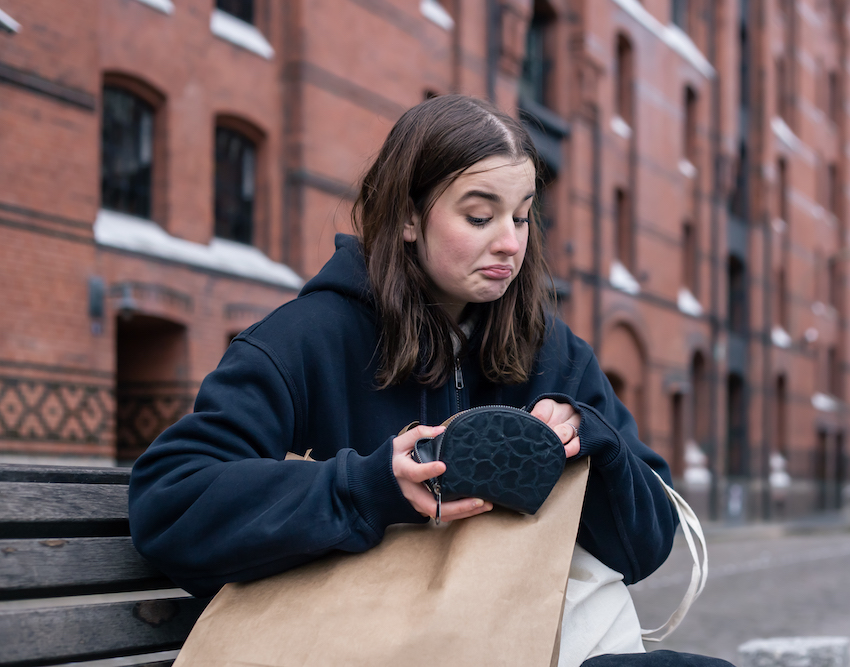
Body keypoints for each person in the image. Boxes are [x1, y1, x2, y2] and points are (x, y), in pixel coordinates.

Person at [129, 94, 732, 667]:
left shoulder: (552, 352)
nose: (509, 243)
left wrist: (592, 444)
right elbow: (170, 502)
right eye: (479, 215)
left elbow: (645, 550)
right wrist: (365, 488)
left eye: (521, 218)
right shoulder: (307, 339)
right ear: (410, 217)